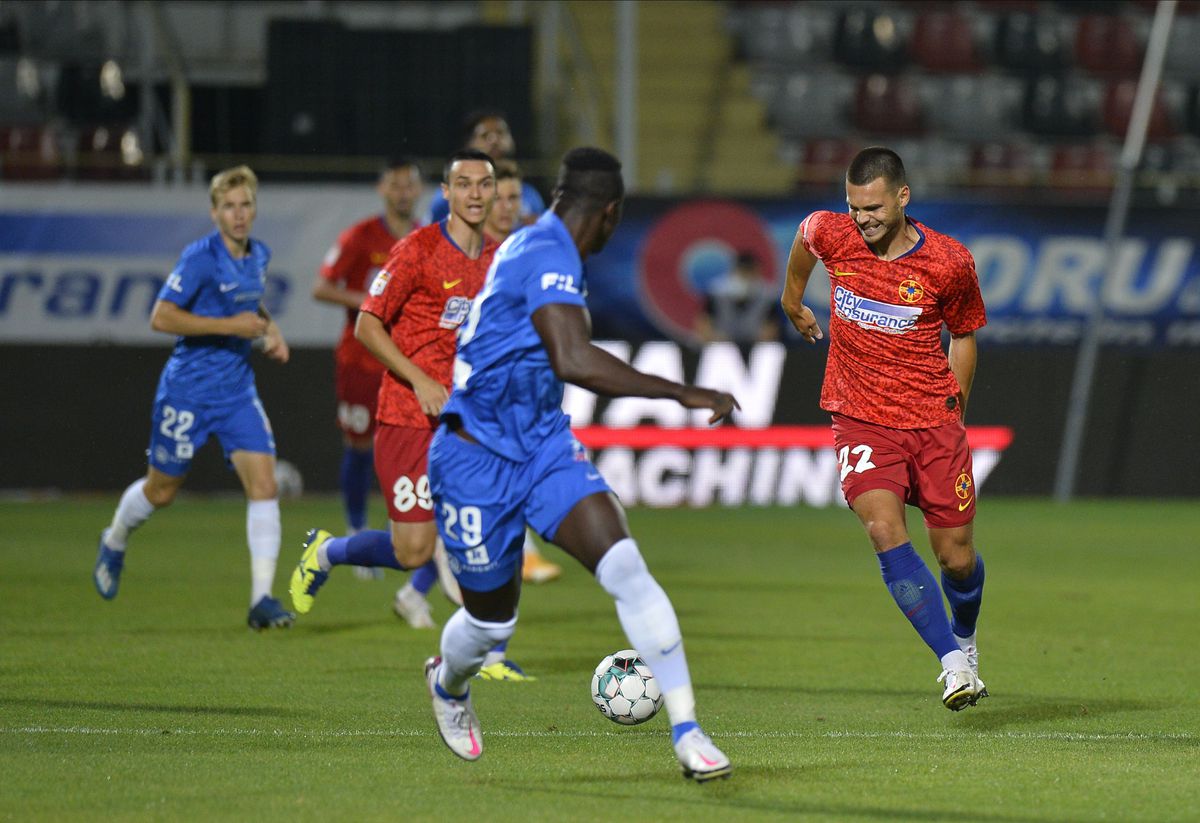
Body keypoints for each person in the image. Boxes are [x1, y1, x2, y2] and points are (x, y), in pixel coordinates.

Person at [423, 146, 737, 781]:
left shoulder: (542, 246)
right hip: (474, 456)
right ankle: (448, 683)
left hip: (542, 448)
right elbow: (572, 358)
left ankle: (688, 731)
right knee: (490, 622)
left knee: (626, 567)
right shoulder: (545, 252)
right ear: (611, 213)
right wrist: (682, 391)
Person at [780, 146, 989, 711]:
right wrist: (792, 299)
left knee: (957, 559)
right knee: (882, 530)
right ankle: (950, 665)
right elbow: (805, 237)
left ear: (902, 197)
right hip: (860, 416)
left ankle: (965, 641)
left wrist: (958, 406)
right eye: (854, 207)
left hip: (931, 422)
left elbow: (964, 333)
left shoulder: (949, 262)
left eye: (872, 207)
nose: (862, 218)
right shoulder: (833, 233)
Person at [92, 165, 295, 630]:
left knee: (264, 486)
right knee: (161, 491)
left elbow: (249, 306)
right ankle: (116, 537)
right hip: (186, 392)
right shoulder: (199, 258)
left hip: (237, 392)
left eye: (245, 205)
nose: (239, 215)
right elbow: (161, 318)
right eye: (229, 206)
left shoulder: (258, 254)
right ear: (214, 212)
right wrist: (232, 328)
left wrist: (271, 329)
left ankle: (261, 600)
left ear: (254, 209)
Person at [313, 157, 422, 587]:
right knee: (358, 448)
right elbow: (321, 287)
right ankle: (357, 531)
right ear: (382, 189)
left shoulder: (423, 240)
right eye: (395, 184)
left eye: (409, 185)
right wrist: (375, 300)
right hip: (360, 362)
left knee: (414, 454)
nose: (402, 192)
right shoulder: (360, 236)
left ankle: (411, 538)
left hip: (408, 367)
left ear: (418, 190)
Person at [482, 160, 564, 586]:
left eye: (514, 198)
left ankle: (523, 554)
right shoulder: (469, 254)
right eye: (499, 198)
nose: (507, 207)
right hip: (469, 389)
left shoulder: (530, 254)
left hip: (518, 384)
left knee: (514, 468)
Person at [427, 110, 544, 224]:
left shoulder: (530, 195)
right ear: (469, 144)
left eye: (500, 133)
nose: (494, 140)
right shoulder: (449, 197)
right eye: (485, 135)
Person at [695, 250, 780, 345]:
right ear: (734, 271)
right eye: (744, 271)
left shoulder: (767, 296)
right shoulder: (717, 293)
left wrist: (755, 343)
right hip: (721, 347)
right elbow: (704, 325)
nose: (748, 276)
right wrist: (716, 339)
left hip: (755, 347)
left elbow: (771, 329)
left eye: (751, 272)